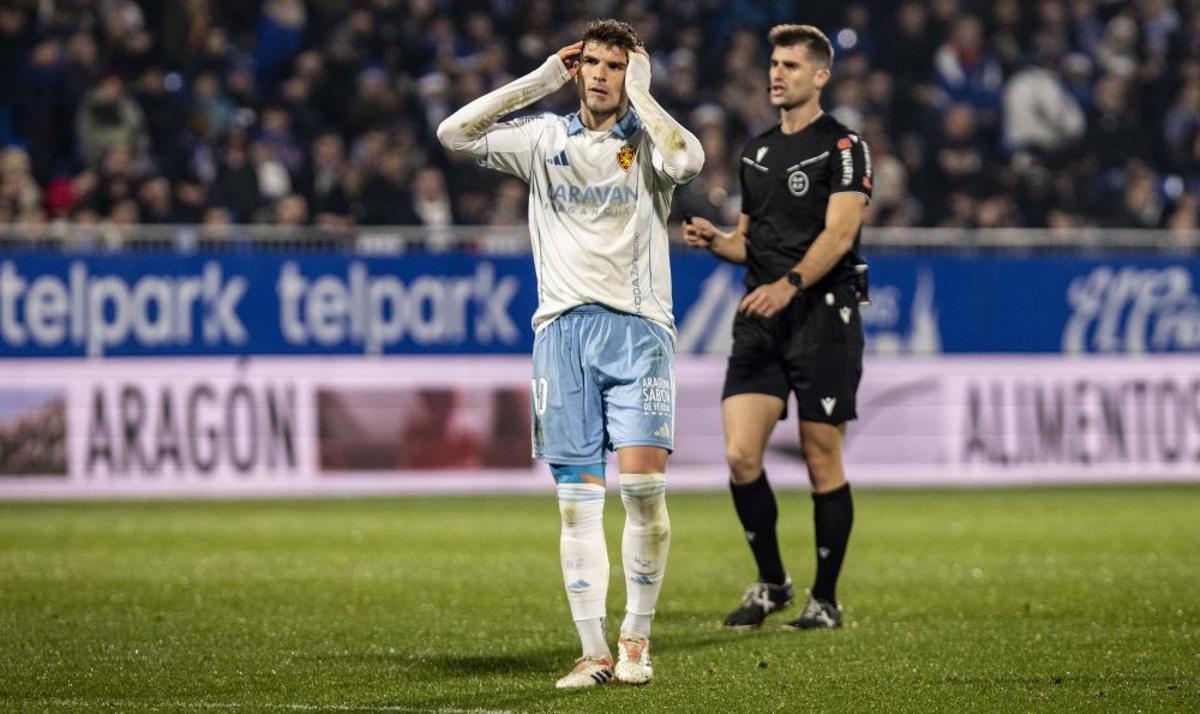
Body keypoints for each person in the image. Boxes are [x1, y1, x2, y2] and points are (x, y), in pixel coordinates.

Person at [437, 19, 703, 688]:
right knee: (577, 504)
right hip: (560, 334)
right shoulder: (544, 139)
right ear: (576, 69)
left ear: (631, 74)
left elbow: (688, 161)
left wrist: (644, 95)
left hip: (639, 332)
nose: (602, 75)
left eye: (617, 66)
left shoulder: (648, 143)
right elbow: (453, 133)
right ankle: (594, 653)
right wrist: (540, 79)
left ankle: (636, 640)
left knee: (643, 493)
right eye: (593, 64)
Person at [683, 24, 871, 631]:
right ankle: (773, 582)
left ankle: (826, 599)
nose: (777, 74)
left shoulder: (844, 147)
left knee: (821, 457)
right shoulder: (756, 152)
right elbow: (748, 242)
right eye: (773, 64)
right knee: (741, 456)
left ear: (821, 75)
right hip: (761, 319)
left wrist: (790, 284)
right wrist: (717, 240)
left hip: (822, 317)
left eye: (790, 65)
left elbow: (840, 234)